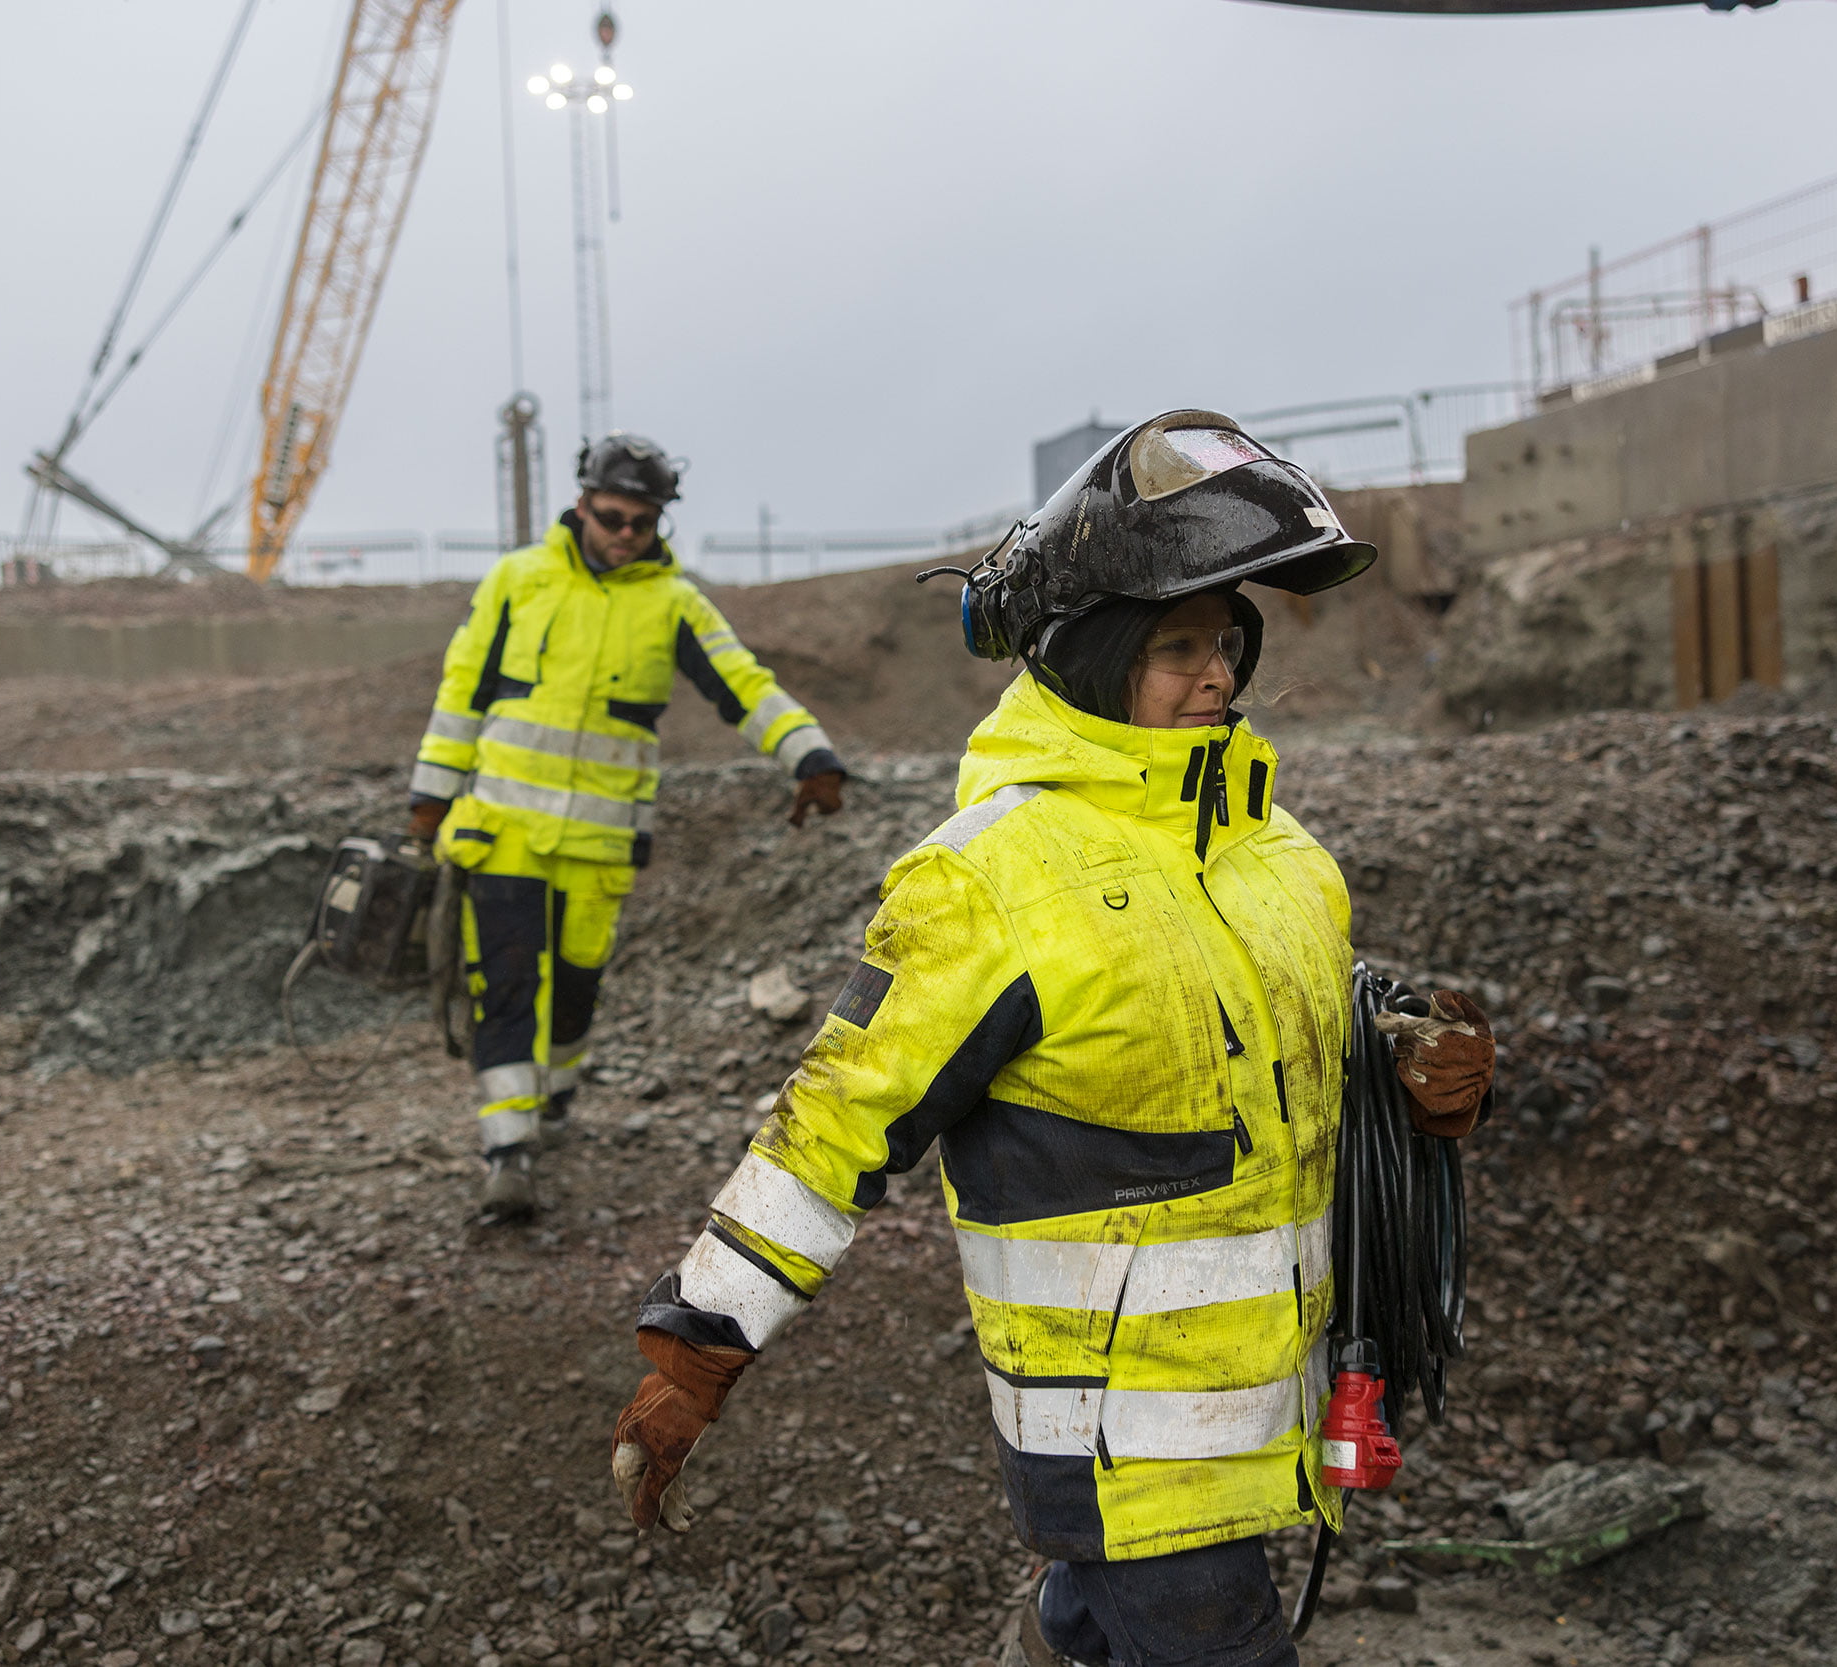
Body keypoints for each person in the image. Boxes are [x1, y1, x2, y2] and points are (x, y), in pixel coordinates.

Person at [606, 412, 1496, 1667]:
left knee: (1103, 1629)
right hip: (1117, 1432)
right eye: (1175, 647)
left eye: (1225, 641)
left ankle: (1057, 1643)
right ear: (1091, 656)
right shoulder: (988, 881)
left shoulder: (1281, 854)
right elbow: (833, 1127)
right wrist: (695, 1351)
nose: (1215, 676)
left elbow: (1290, 1046)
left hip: (1264, 1396)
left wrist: (1410, 1068)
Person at [408, 432, 849, 1222]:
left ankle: (554, 1100)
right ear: (582, 505)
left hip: (600, 849)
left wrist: (808, 754)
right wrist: (430, 796)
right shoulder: (516, 581)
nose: (624, 534)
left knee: (574, 991)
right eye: (612, 517)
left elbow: (744, 686)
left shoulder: (674, 604)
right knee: (505, 987)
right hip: (502, 832)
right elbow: (461, 693)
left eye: (641, 523)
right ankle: (508, 1153)